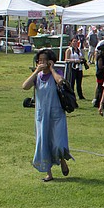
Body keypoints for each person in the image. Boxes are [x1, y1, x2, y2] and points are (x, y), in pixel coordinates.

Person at [22, 49, 73, 182]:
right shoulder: (37, 76)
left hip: (56, 114)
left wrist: (51, 69)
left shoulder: (56, 73)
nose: (42, 62)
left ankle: (62, 160)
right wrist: (36, 71)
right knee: (43, 143)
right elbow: (25, 86)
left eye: (45, 60)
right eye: (40, 60)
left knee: (58, 142)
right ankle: (48, 173)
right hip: (41, 115)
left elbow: (60, 81)